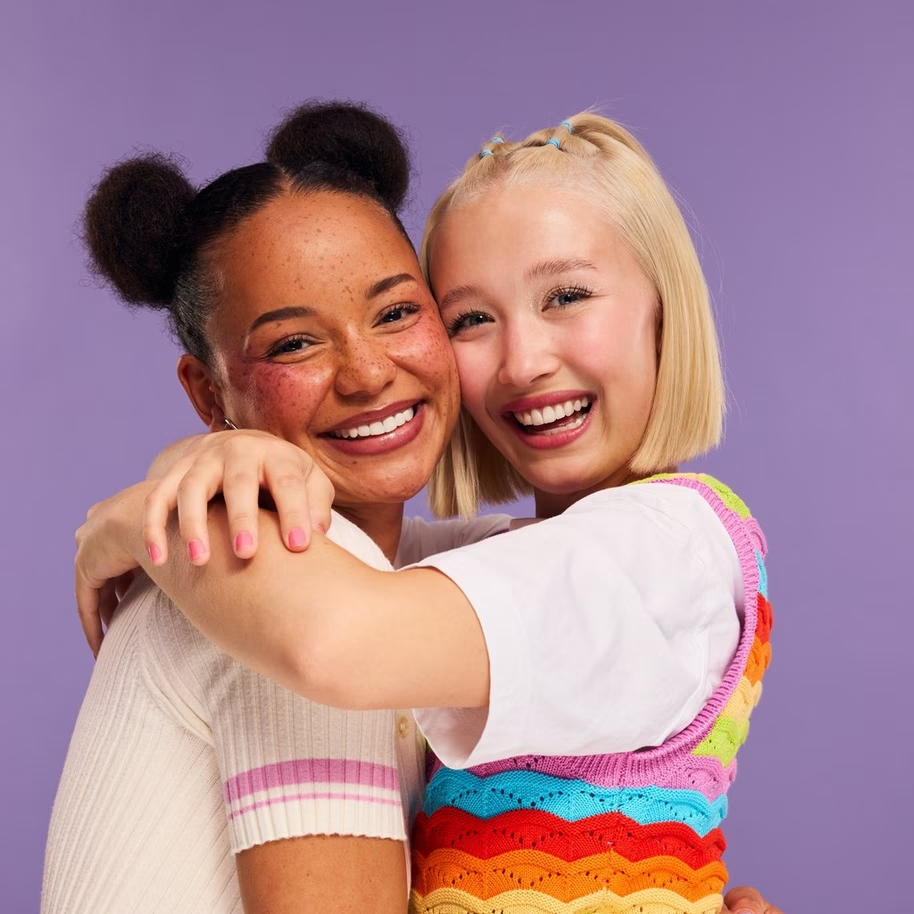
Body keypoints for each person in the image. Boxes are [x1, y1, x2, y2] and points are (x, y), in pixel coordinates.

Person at [74, 110, 777, 914]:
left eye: (568, 296)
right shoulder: (381, 576)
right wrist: (191, 468)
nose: (523, 361)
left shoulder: (666, 550)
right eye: (472, 318)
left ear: (665, 307)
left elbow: (338, 635)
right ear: (209, 393)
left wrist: (149, 516)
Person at [43, 102, 487, 914]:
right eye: (294, 344)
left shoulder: (403, 574)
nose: (367, 373)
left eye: (396, 312)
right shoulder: (272, 582)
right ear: (208, 394)